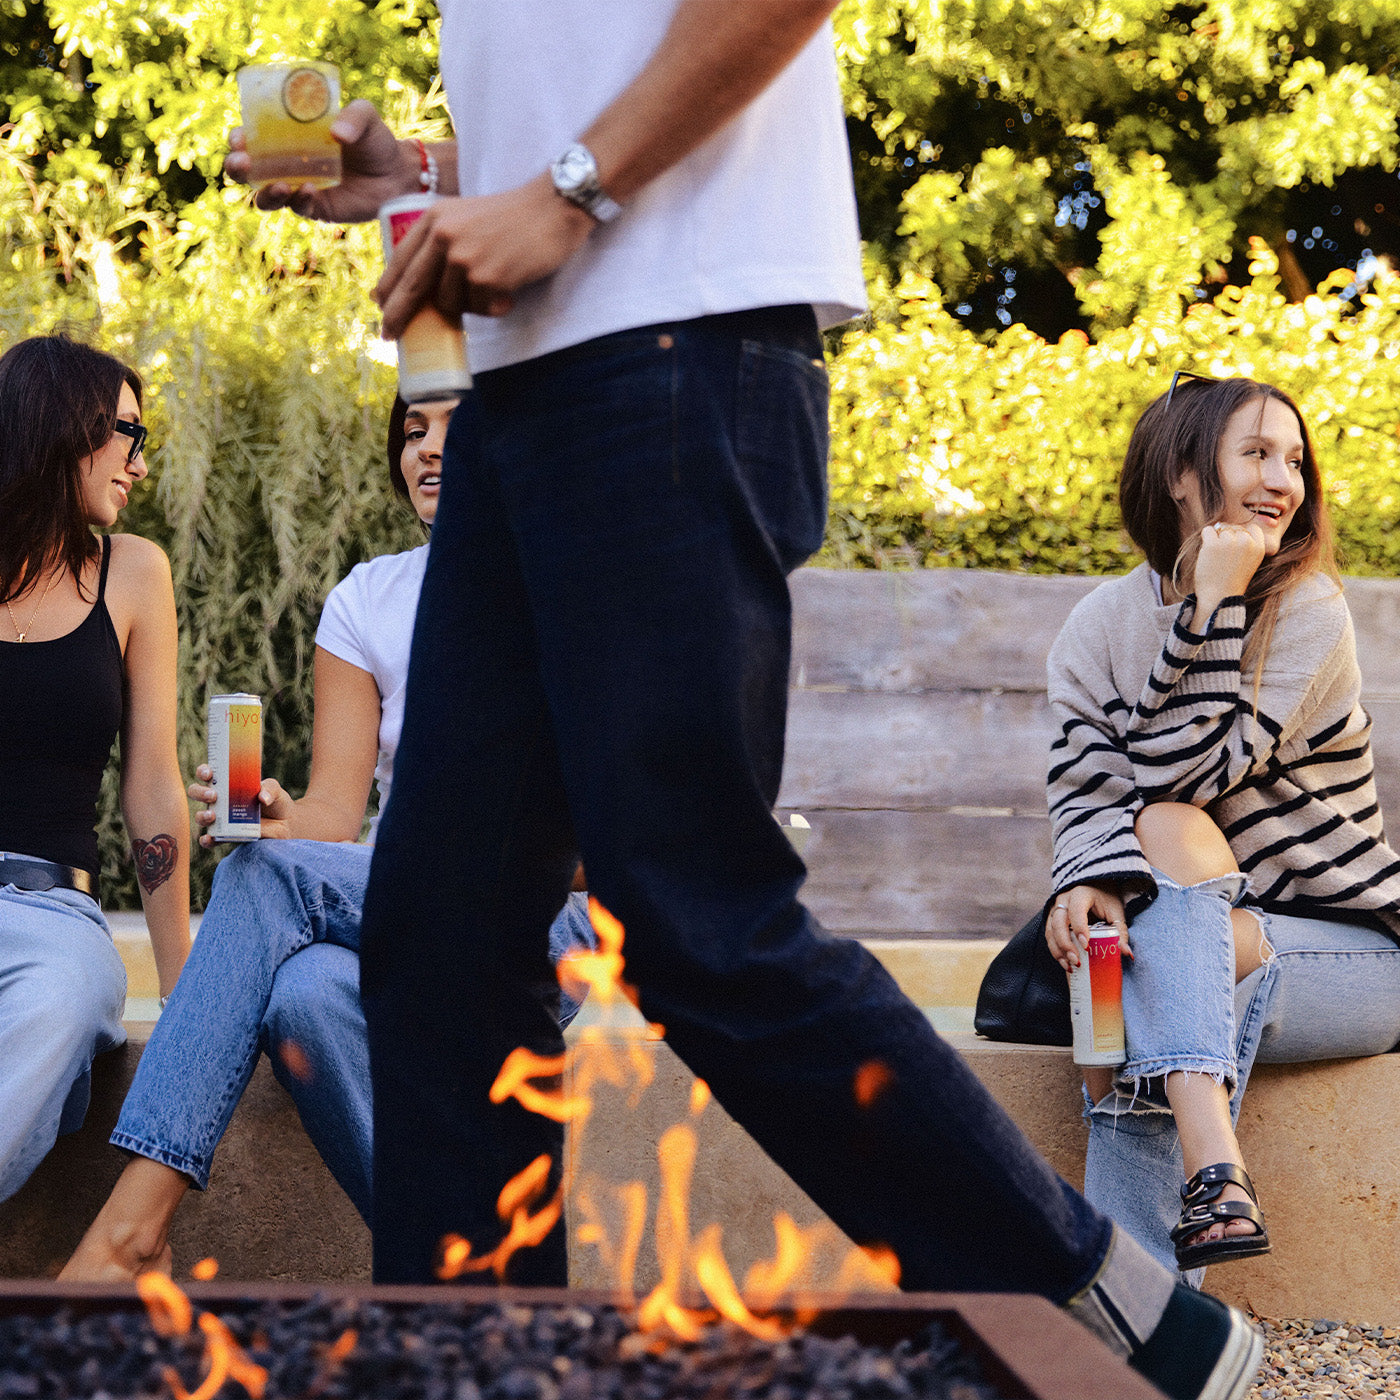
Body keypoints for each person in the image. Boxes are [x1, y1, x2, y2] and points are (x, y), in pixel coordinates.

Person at [230, 9, 1263, 1397]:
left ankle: (1113, 1307)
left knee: (690, 911)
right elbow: (567, 86)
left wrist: (569, 189)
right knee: (441, 929)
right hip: (523, 382)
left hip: (679, 344)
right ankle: (476, 1370)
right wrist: (421, 170)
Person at [59, 396, 596, 1279]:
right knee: (302, 990)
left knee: (268, 883)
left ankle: (130, 1230)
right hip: (405, 901)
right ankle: (462, 1273)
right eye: (412, 431)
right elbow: (334, 821)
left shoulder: (581, 586)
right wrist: (282, 820)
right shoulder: (366, 603)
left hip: (555, 913)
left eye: (453, 425)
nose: (426, 450)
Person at [1045, 372, 1400, 1279]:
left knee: (1142, 953)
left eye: (1294, 459)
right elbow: (1085, 795)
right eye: (1256, 453)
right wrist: (1084, 880)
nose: (1284, 478)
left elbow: (1186, 776)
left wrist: (1212, 601)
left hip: (1357, 951)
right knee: (1131, 961)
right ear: (1180, 472)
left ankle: (1144, 1298)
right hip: (1197, 925)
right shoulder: (1097, 626)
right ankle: (1194, 1241)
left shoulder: (1306, 610)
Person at [0, 334, 190, 1205]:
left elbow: (151, 784)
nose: (139, 465)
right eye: (129, 435)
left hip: (51, 918)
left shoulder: (134, 575)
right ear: (63, 428)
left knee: (67, 1001)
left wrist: (185, 986)